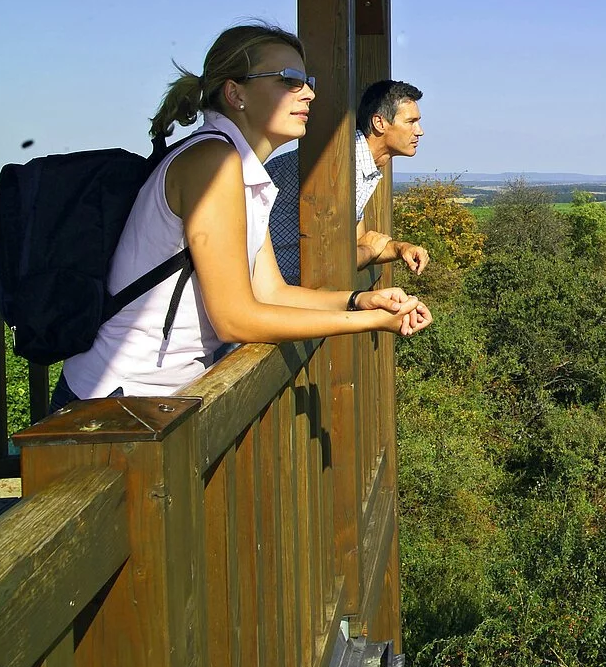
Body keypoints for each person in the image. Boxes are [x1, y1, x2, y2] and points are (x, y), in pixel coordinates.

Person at [54, 24, 431, 408]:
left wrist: (358, 301)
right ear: (236, 93)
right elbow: (235, 319)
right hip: (114, 400)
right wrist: (370, 322)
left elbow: (272, 293)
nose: (310, 93)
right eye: (290, 80)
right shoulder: (212, 162)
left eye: (307, 81)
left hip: (154, 397)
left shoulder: (242, 170)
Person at [266, 79, 431, 286]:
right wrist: (369, 250)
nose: (419, 131)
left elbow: (357, 243)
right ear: (379, 123)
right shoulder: (340, 166)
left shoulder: (361, 162)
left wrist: (401, 248)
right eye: (411, 122)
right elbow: (332, 260)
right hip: (279, 297)